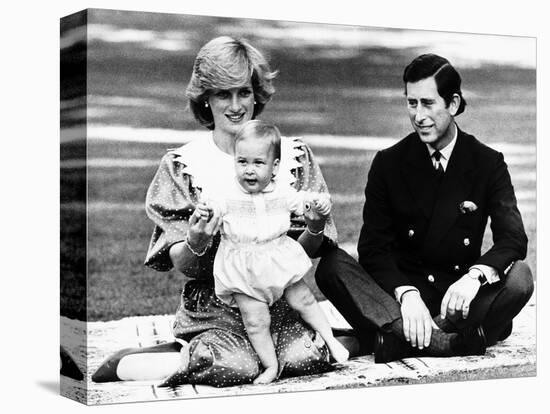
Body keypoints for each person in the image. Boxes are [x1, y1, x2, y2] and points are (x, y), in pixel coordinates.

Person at [92, 36, 343, 387]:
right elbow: (183, 265)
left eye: (243, 92)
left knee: (302, 359)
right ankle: (141, 359)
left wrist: (314, 229)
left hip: (279, 299)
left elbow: (299, 254)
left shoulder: (291, 156)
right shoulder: (184, 166)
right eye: (223, 94)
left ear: (257, 94)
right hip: (216, 306)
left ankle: (319, 341)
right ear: (205, 100)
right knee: (237, 367)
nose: (236, 105)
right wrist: (196, 240)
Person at [316, 53, 534, 362]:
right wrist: (406, 293)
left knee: (520, 278)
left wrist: (475, 277)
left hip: (457, 304)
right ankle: (446, 343)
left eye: (428, 103)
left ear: (454, 104)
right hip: (402, 302)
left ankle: (388, 337)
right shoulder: (389, 163)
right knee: (331, 265)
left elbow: (513, 239)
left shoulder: (487, 162)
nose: (418, 116)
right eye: (411, 103)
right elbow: (373, 248)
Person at [172, 120, 349, 385]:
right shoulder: (226, 194)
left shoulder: (281, 190)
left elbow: (303, 202)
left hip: (277, 258)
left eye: (258, 163)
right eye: (242, 162)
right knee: (256, 320)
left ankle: (332, 342)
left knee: (305, 299)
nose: (249, 170)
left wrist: (318, 205)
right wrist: (205, 214)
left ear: (274, 166)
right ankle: (270, 365)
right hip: (243, 269)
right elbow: (212, 207)